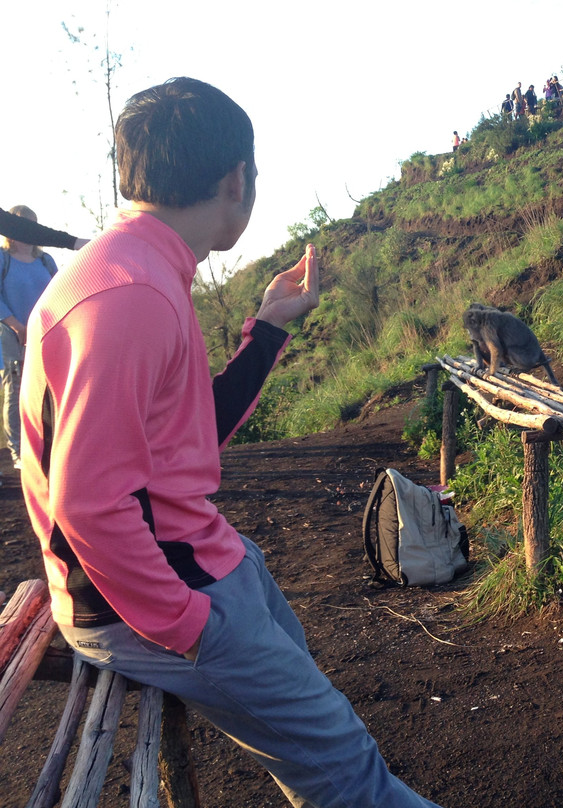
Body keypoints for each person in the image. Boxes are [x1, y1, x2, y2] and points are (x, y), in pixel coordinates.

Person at [19, 77, 441, 808]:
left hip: (196, 561)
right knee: (354, 775)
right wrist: (189, 626)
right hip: (152, 598)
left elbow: (183, 438)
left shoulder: (136, 268)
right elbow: (90, 506)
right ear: (237, 180)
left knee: (317, 713)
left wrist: (268, 328)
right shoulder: (131, 298)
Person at [0, 206, 60, 475]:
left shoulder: (46, 260)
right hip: (12, 336)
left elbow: (60, 292)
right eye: (22, 224)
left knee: (49, 392)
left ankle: (47, 446)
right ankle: (18, 452)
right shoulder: (3, 259)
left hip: (46, 337)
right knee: (16, 393)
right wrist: (17, 326)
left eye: (33, 224)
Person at [0, 209, 90, 251]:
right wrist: (73, 242)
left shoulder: (46, 261)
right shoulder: (3, 259)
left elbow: (17, 227)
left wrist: (74, 242)